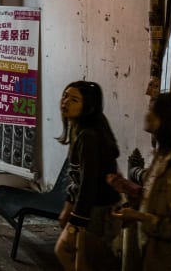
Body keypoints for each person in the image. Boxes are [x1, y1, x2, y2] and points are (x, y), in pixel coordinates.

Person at [108, 92, 171, 270]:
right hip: (151, 253)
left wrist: (138, 216)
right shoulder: (162, 155)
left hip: (168, 258)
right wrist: (129, 188)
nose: (146, 114)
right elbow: (154, 199)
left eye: (152, 111)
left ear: (167, 118)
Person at [55, 80, 121, 271]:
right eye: (65, 95)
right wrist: (68, 206)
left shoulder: (88, 135)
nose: (65, 102)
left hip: (97, 209)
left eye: (74, 99)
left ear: (88, 106)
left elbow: (88, 182)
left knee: (81, 261)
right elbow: (76, 176)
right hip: (90, 207)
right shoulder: (79, 128)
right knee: (73, 257)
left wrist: (76, 221)